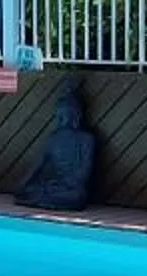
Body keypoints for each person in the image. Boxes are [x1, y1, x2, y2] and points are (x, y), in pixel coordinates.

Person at [14, 80, 97, 209]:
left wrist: (67, 183)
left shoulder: (86, 139)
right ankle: (44, 199)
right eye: (61, 115)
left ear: (77, 115)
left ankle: (44, 200)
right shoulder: (53, 138)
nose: (65, 118)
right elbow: (37, 165)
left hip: (71, 187)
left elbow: (85, 169)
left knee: (76, 195)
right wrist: (23, 183)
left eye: (68, 114)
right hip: (52, 184)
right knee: (32, 189)